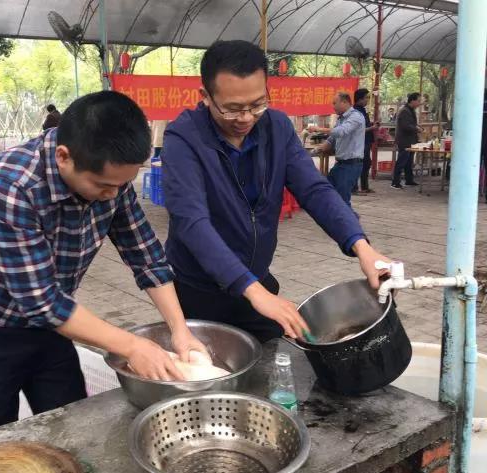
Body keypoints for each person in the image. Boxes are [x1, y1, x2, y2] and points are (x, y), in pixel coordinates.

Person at [0, 91, 208, 439]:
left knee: (70, 423)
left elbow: (146, 255)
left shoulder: (111, 179)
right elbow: (41, 301)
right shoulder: (11, 186)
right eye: (103, 186)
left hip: (56, 323)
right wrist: (132, 346)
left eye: (122, 185)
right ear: (63, 157)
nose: (113, 195)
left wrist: (180, 330)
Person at [161, 40, 391, 344]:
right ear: (205, 97)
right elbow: (191, 221)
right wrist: (253, 290)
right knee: (205, 365)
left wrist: (361, 246)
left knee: (279, 357)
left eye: (257, 104)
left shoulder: (277, 128)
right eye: (232, 109)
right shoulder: (183, 138)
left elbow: (314, 189)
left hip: (257, 283)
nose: (246, 118)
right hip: (199, 290)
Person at [309, 92, 366, 208]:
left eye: (335, 103)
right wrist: (316, 150)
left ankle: (348, 219)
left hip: (351, 165)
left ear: (344, 102)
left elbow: (341, 131)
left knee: (342, 201)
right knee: (328, 193)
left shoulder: (356, 116)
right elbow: (332, 139)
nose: (333, 106)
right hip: (340, 165)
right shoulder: (341, 119)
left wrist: (318, 129)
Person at [392, 93, 422, 189]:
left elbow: (411, 124)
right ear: (412, 100)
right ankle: (395, 182)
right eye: (418, 101)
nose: (419, 103)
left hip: (411, 140)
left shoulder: (411, 110)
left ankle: (409, 180)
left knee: (409, 162)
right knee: (402, 161)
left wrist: (416, 128)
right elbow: (406, 126)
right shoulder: (404, 111)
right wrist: (416, 128)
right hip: (404, 140)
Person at [351, 88, 378, 195]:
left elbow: (364, 125)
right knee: (358, 164)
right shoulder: (356, 112)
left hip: (365, 141)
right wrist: (372, 128)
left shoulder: (362, 110)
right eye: (366, 98)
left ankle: (364, 187)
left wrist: (372, 125)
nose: (367, 100)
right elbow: (358, 130)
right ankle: (354, 188)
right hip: (359, 142)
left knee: (366, 163)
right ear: (360, 99)